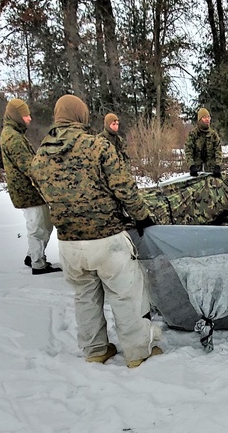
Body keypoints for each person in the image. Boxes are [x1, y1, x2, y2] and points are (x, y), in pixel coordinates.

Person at [31, 94, 162, 368]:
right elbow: (124, 188)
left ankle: (95, 350)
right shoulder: (97, 146)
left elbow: (43, 192)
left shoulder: (40, 156)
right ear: (81, 115)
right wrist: (142, 217)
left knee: (85, 298)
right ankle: (138, 354)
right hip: (107, 239)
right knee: (127, 296)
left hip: (68, 243)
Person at [0, 98, 60, 275]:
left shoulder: (14, 134)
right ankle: (38, 263)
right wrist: (46, 181)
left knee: (44, 225)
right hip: (27, 192)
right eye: (25, 115)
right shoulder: (13, 138)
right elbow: (29, 167)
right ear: (16, 116)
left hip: (28, 191)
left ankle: (32, 255)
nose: (29, 118)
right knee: (38, 226)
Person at [185, 107, 222, 178]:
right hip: (196, 172)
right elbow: (188, 151)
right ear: (200, 119)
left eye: (208, 117)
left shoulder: (213, 135)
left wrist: (218, 166)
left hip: (212, 172)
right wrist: (191, 165)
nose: (207, 119)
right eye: (204, 117)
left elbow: (218, 151)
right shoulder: (193, 135)